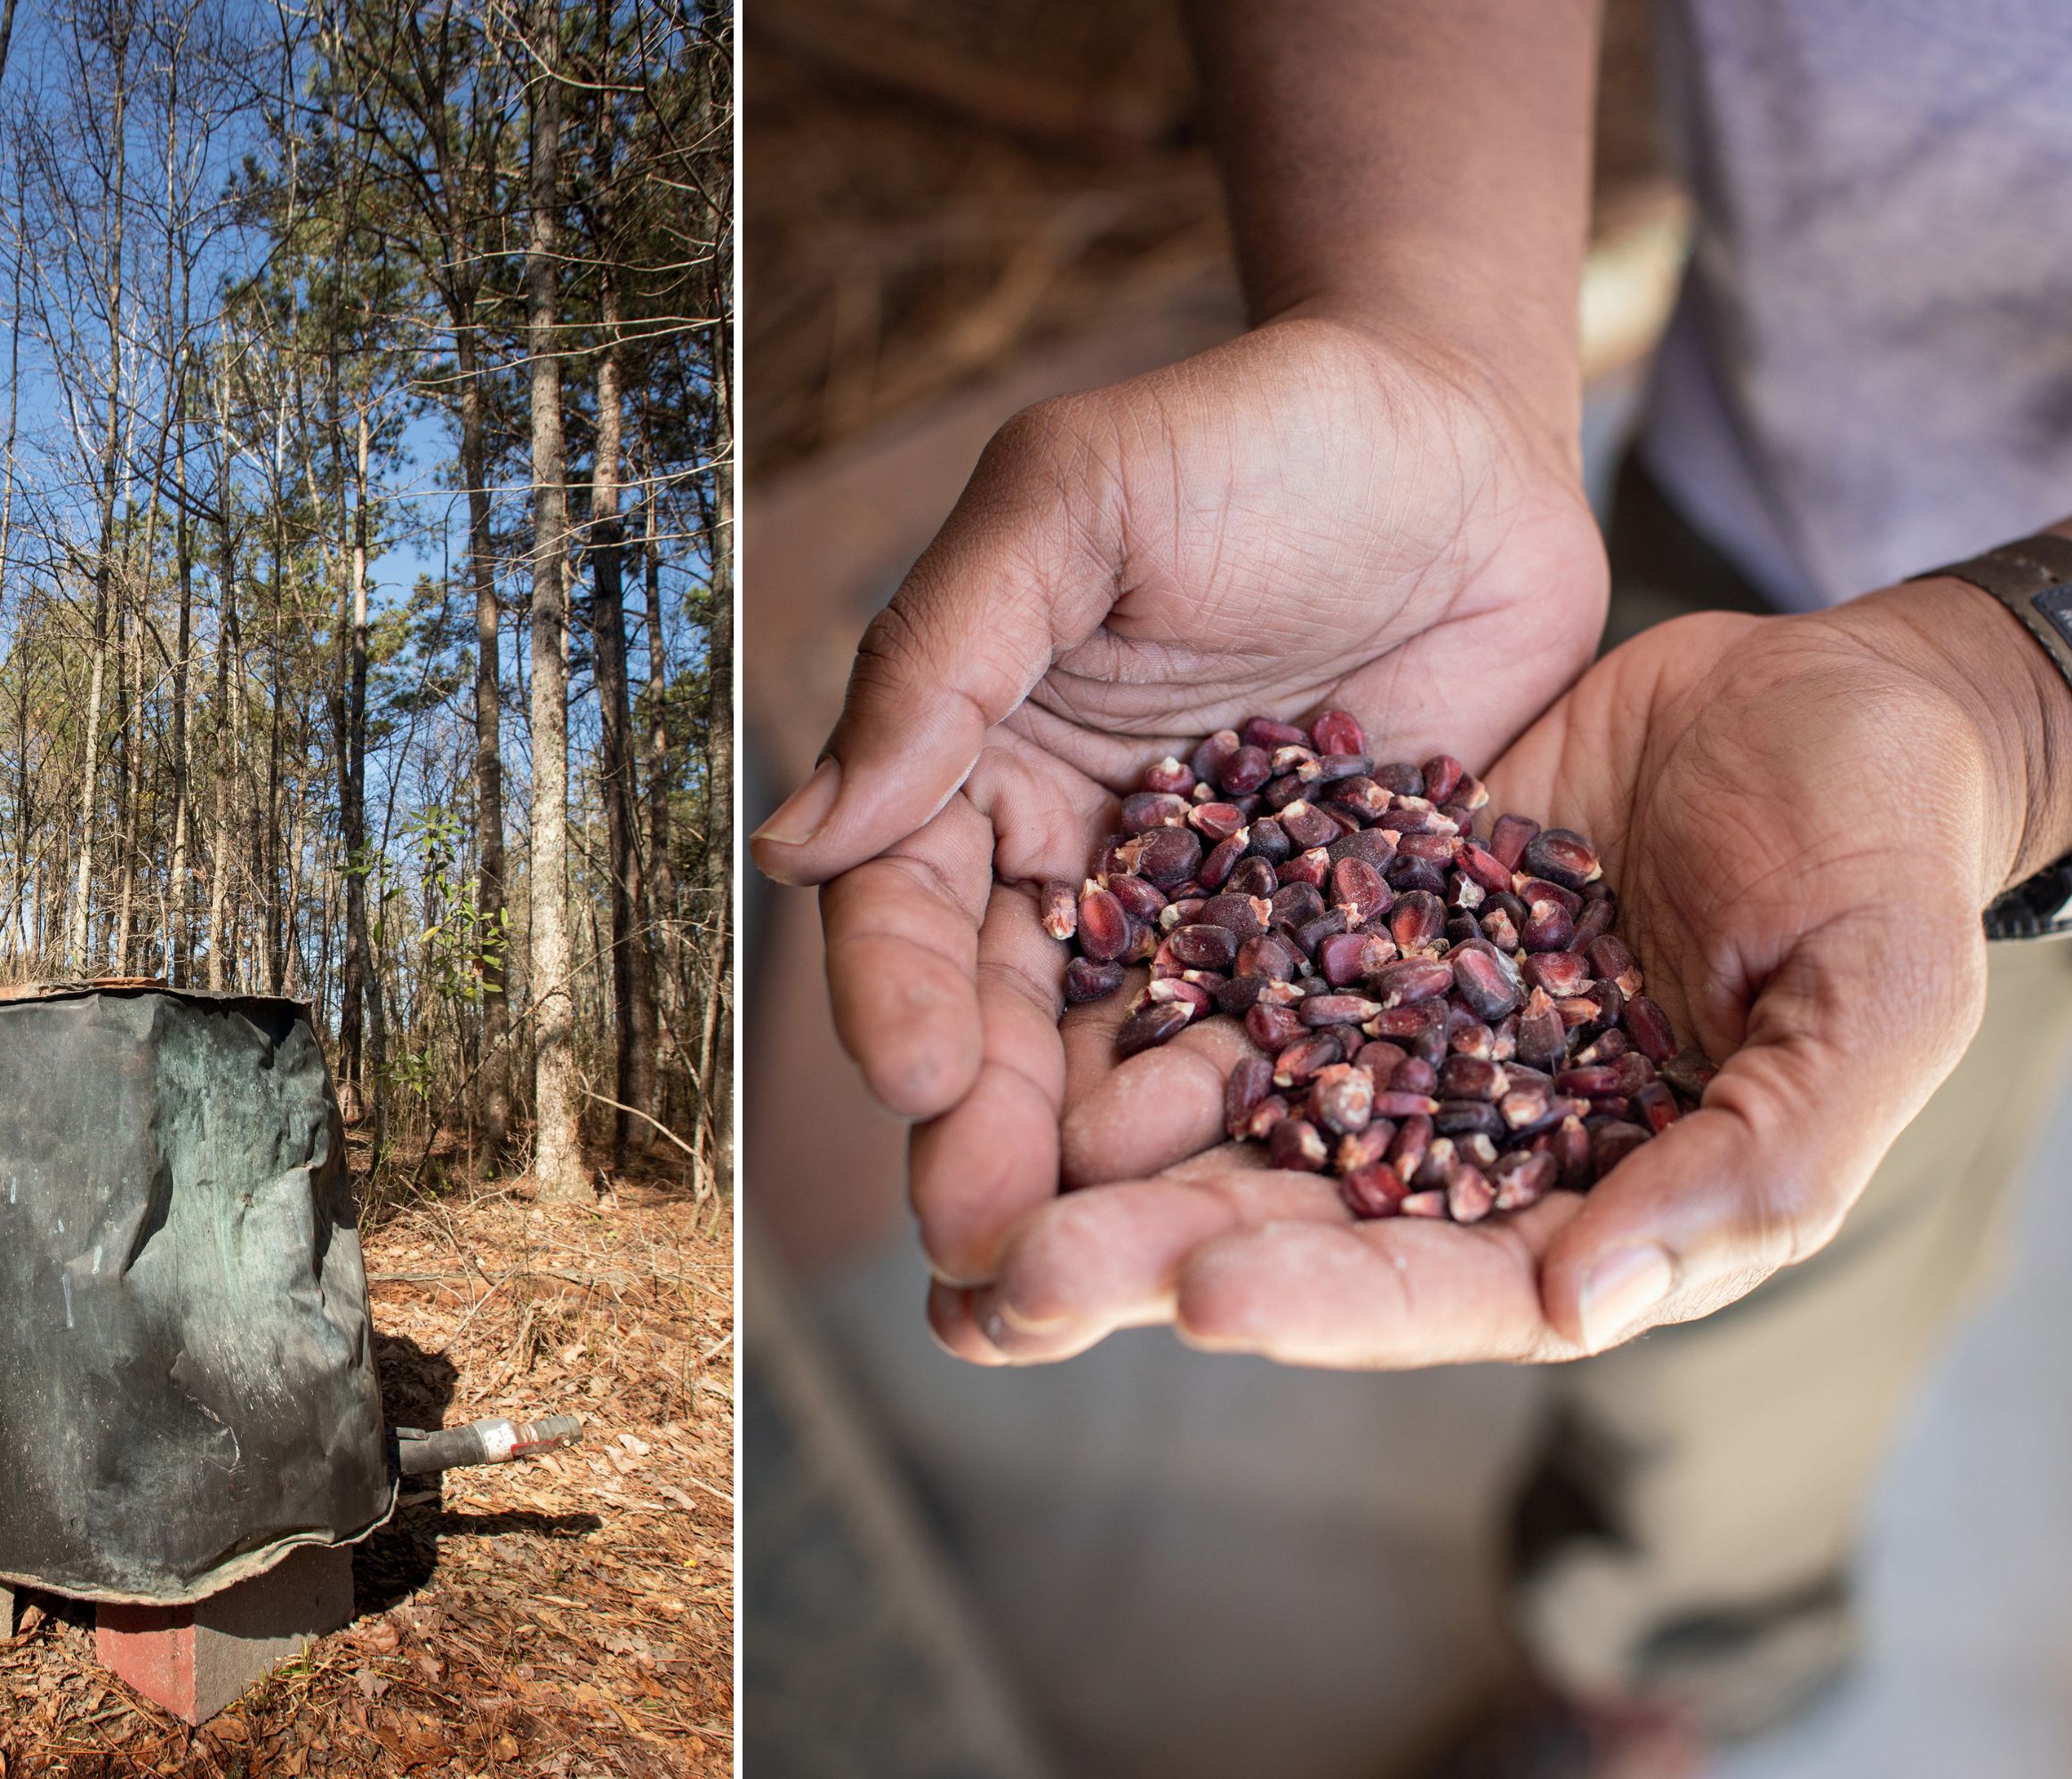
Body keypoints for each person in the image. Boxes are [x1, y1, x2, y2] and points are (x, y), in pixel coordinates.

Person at [749, 3, 2072, 1773]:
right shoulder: (1516, 813)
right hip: (1748, 491)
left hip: (2017, 713)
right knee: (1694, 1235)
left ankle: (1665, 1660)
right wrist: (1423, 325)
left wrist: (2005, 695)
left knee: (1769, 1342)